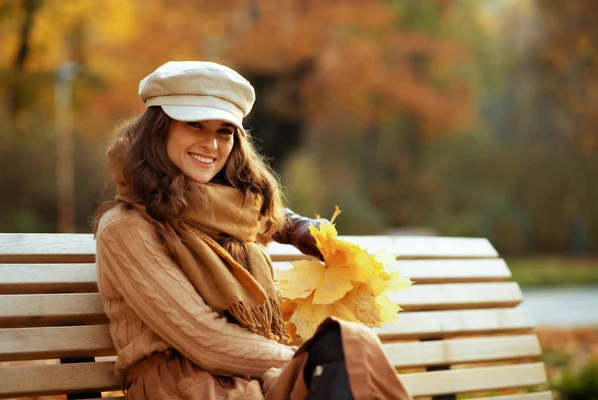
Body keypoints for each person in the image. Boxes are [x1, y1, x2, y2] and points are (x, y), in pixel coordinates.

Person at [94, 61, 412, 400]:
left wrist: (300, 228)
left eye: (224, 131)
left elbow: (259, 215)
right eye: (195, 125)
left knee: (352, 344)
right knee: (340, 353)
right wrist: (301, 357)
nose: (211, 145)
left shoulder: (230, 215)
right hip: (186, 388)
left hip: (253, 380)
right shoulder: (126, 228)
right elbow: (205, 340)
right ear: (159, 129)